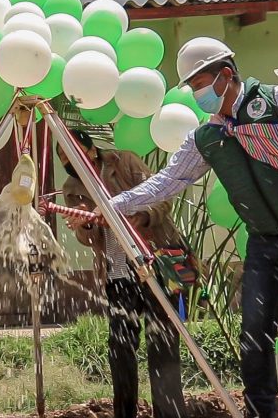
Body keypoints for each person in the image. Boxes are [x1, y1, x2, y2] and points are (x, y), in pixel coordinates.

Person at [97, 38, 278, 418]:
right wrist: (111, 206)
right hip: (265, 242)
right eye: (191, 87)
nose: (196, 92)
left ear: (225, 75)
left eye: (199, 82)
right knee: (254, 335)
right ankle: (259, 412)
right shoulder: (207, 136)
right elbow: (168, 181)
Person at [58, 129, 188, 418]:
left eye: (72, 152)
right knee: (120, 347)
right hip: (117, 272)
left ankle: (169, 413)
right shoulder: (72, 188)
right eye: (63, 157)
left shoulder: (126, 162)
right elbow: (87, 239)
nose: (69, 160)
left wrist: (141, 217)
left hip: (157, 263)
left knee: (163, 343)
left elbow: (162, 197)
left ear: (90, 150)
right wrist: (86, 223)